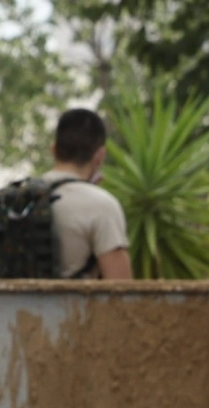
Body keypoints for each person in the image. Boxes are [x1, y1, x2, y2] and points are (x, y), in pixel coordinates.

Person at [46, 108, 132, 280]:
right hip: (72, 307)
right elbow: (123, 289)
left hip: (7, 306)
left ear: (54, 150)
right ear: (100, 156)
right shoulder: (102, 205)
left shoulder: (19, 197)